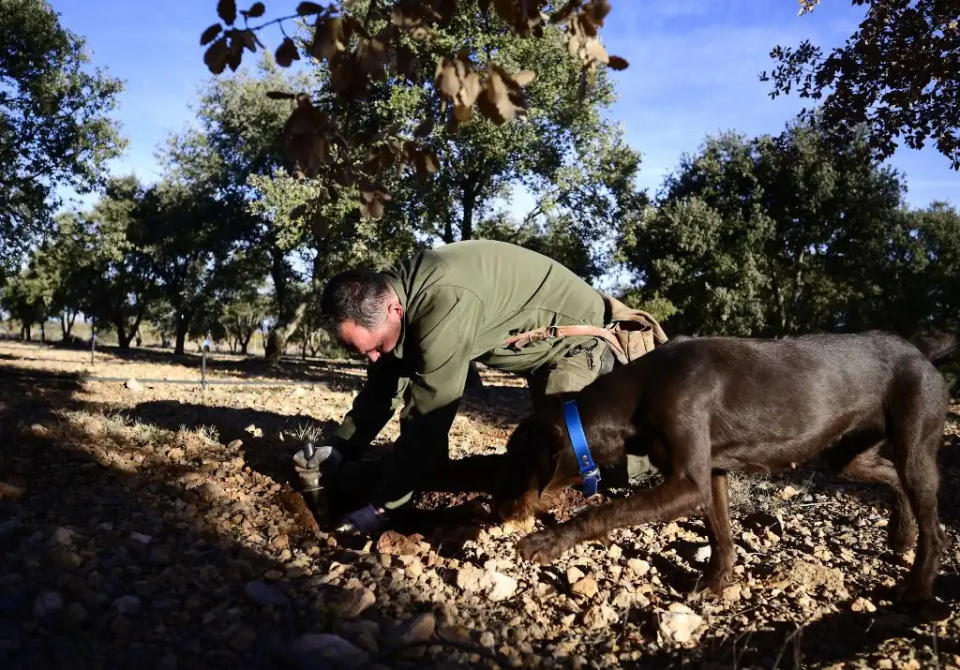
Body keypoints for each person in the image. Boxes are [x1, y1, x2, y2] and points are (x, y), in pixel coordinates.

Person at [301, 240, 663, 532]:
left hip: (577, 345)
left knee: (571, 459)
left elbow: (430, 414)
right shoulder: (393, 296)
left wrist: (383, 508)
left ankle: (664, 457)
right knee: (539, 454)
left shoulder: (443, 301)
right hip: (538, 353)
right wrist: (340, 447)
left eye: (377, 347)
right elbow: (386, 383)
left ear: (394, 310)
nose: (375, 359)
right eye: (363, 352)